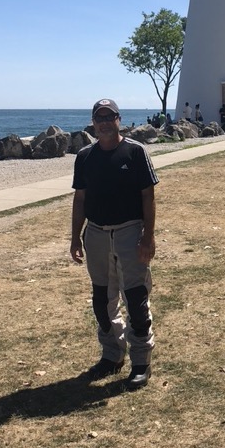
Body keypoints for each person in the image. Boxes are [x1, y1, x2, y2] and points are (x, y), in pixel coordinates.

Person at [70, 99, 159, 390]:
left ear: (119, 120)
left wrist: (148, 236)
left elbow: (148, 195)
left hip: (129, 232)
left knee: (135, 298)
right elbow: (80, 199)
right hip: (95, 234)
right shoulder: (84, 156)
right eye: (99, 118)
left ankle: (141, 361)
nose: (105, 123)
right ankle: (112, 353)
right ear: (93, 123)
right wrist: (75, 237)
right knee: (101, 299)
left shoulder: (135, 152)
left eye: (110, 117)